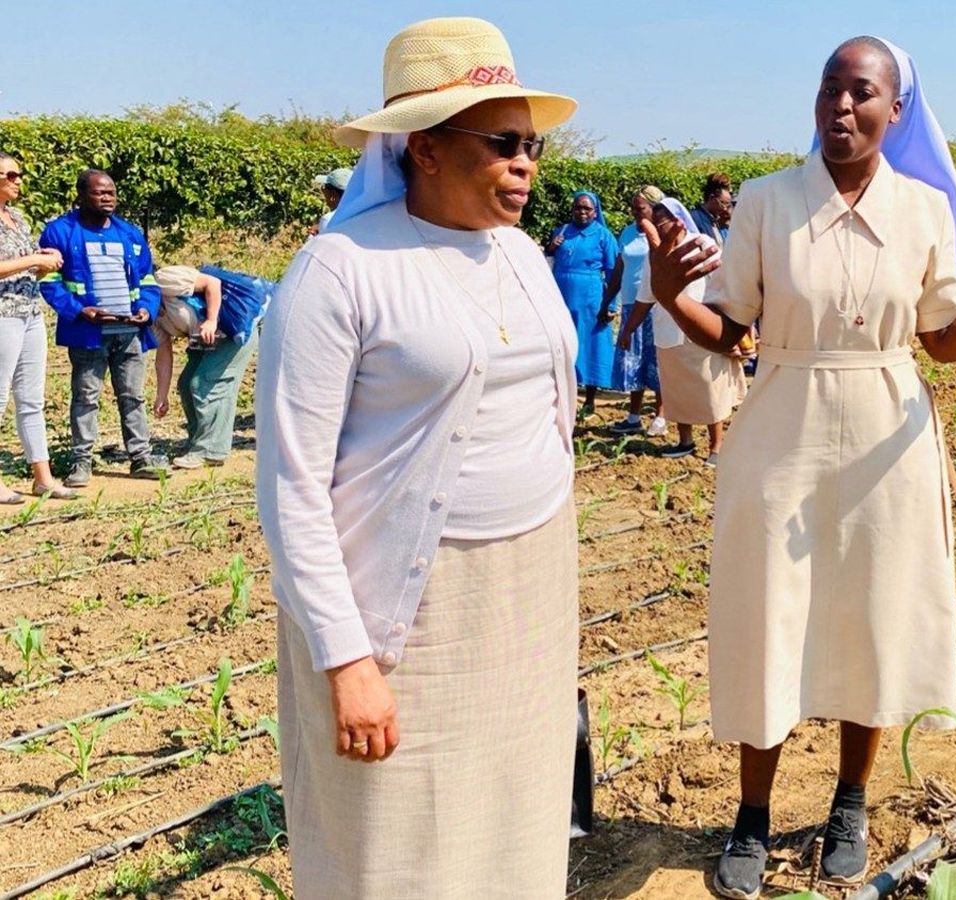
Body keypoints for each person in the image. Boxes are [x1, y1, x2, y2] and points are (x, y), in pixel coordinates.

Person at [643, 36, 956, 897]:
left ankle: (850, 800)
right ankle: (753, 816)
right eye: (829, 89)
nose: (841, 106)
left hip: (888, 434)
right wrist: (670, 295)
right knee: (771, 615)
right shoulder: (766, 201)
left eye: (862, 93)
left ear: (896, 111)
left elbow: (943, 340)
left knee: (870, 616)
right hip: (782, 430)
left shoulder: (924, 209)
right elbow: (734, 332)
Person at [255, 17, 581, 900]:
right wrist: (346, 658)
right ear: (426, 148)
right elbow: (291, 484)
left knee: (516, 812)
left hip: (525, 589)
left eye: (533, 145)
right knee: (398, 840)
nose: (526, 164)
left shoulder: (522, 255)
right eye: (503, 143)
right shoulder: (341, 271)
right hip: (408, 615)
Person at [38, 170, 168, 486]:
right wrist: (80, 310)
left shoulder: (131, 234)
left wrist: (146, 311)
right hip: (88, 334)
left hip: (129, 332)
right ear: (81, 196)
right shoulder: (59, 232)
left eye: (111, 192)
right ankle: (81, 463)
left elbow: (148, 280)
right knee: (85, 398)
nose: (107, 197)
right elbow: (49, 282)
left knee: (133, 396)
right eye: (99, 193)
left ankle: (140, 458)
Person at [620, 199, 745, 466]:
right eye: (654, 221)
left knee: (709, 389)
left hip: (702, 326)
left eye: (661, 219)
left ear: (677, 219)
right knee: (677, 391)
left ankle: (716, 446)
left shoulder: (701, 244)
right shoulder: (655, 255)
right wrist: (628, 329)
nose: (656, 225)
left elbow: (723, 285)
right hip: (668, 330)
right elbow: (646, 296)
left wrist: (728, 324)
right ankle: (685, 441)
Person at [0, 151, 76, 501]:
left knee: (31, 398)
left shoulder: (16, 217)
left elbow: (26, 265)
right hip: (3, 315)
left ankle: (42, 476)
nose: (17, 181)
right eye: (10, 175)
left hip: (29, 312)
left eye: (18, 175)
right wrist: (33, 259)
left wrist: (45, 262)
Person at [151, 266, 258, 468]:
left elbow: (212, 283)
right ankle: (197, 442)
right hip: (205, 341)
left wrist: (211, 320)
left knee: (205, 383)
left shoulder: (164, 279)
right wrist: (161, 395)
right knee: (185, 384)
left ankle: (211, 450)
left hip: (232, 332)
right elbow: (163, 352)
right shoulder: (148, 314)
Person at [547, 190, 619, 415]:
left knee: (590, 344)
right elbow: (547, 261)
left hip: (590, 298)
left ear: (595, 211)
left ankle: (589, 399)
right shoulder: (562, 231)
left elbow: (613, 272)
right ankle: (562, 395)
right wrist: (552, 247)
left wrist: (610, 305)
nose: (582, 212)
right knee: (560, 342)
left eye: (587, 208)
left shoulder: (603, 235)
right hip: (561, 296)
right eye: (578, 208)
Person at [607, 185, 666, 436]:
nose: (634, 212)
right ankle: (633, 416)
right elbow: (620, 269)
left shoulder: (664, 233)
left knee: (657, 361)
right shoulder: (628, 233)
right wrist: (608, 300)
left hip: (656, 306)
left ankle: (662, 416)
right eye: (633, 207)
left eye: (639, 208)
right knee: (634, 362)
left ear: (654, 209)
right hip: (632, 305)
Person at [692, 172, 734, 244]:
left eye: (727, 205)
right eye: (722, 203)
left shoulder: (716, 221)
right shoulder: (695, 219)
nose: (725, 209)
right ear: (711, 197)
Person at [312, 167, 353, 235]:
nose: (323, 191)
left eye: (324, 188)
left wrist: (313, 237)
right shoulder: (362, 214)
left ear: (333, 194)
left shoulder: (328, 221)